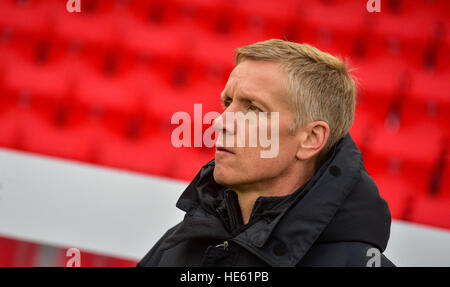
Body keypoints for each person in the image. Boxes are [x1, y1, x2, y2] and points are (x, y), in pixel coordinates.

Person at [137, 39, 395, 267]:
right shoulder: (180, 242)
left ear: (310, 139)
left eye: (253, 108)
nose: (220, 123)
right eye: (228, 102)